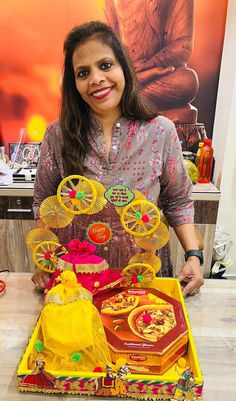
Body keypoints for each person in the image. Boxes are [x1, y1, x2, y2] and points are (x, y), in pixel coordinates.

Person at [31, 21, 203, 297]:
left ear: (124, 68)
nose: (96, 78)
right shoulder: (58, 134)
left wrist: (194, 256)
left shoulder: (160, 131)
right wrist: (45, 258)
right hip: (76, 279)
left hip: (142, 274)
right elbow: (44, 202)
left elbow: (178, 201)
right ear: (74, 84)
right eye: (83, 72)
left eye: (106, 65)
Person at [104, 0, 199, 123]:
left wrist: (150, 65)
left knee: (187, 81)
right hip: (124, 74)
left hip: (162, 76)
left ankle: (126, 99)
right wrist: (129, 72)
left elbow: (183, 45)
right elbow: (107, 46)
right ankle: (129, 93)